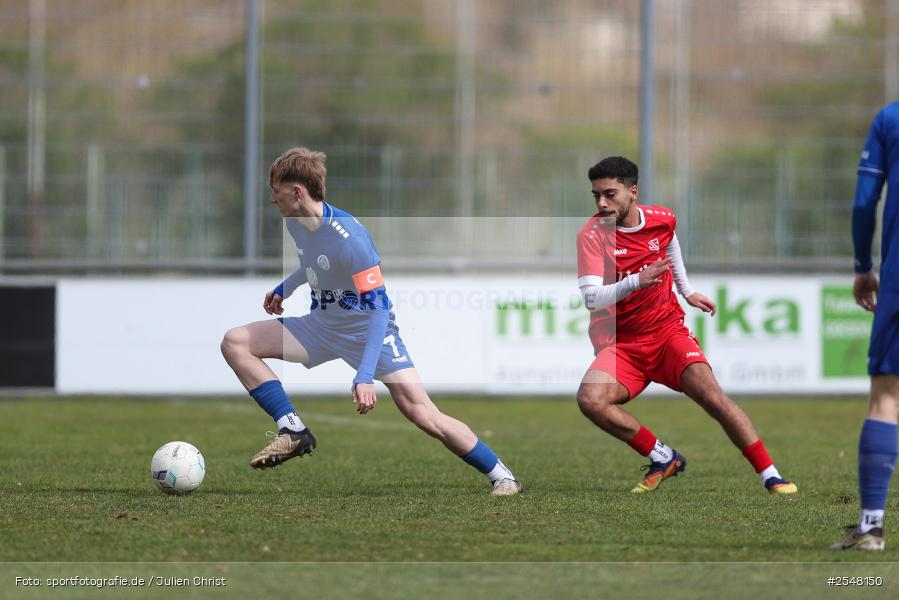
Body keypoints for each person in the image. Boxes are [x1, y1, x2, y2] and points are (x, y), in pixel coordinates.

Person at [220, 147, 522, 496]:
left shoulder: (352, 240)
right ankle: (293, 431)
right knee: (236, 342)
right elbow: (316, 264)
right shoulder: (296, 223)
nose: (273, 198)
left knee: (424, 415)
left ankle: (502, 476)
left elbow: (379, 309)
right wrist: (284, 288)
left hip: (369, 334)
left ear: (297, 192)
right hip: (320, 328)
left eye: (276, 190)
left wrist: (365, 376)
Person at [575, 156, 797, 495]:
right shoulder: (592, 235)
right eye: (596, 196)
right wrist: (637, 281)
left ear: (632, 192)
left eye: (610, 194)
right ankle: (662, 457)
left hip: (667, 333)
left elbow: (670, 243)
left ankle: (771, 475)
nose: (602, 203)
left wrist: (686, 290)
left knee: (714, 398)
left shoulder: (662, 219)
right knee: (591, 399)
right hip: (624, 344)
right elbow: (592, 298)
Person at [832, 101, 899, 551]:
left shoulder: (890, 118)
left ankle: (871, 527)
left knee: (887, 396)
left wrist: (862, 265)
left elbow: (863, 201)